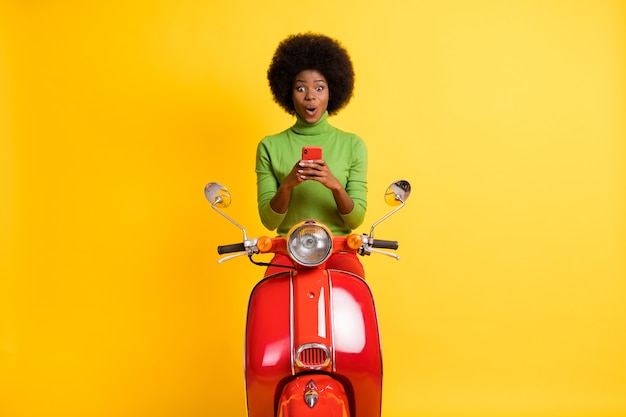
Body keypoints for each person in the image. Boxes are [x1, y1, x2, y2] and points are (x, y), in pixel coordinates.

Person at [255, 32, 367, 277]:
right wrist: (287, 185)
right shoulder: (269, 146)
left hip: (339, 250)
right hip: (287, 250)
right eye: (300, 87)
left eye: (319, 87)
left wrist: (335, 186)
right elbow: (269, 222)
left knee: (354, 288)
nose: (310, 96)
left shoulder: (352, 144)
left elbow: (355, 220)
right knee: (270, 293)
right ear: (287, 91)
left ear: (332, 91)